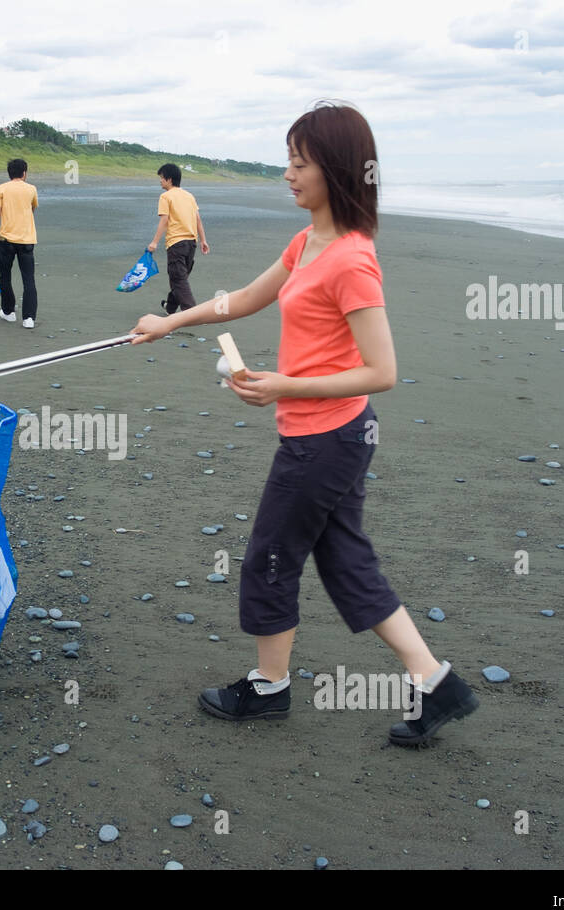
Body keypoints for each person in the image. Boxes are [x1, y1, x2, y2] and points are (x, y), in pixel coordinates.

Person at [131, 102, 478, 746]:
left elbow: (383, 370)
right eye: (287, 160)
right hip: (331, 435)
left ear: (337, 170)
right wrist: (170, 321)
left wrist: (284, 386)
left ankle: (269, 687)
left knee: (269, 555)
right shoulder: (306, 242)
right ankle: (436, 682)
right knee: (346, 561)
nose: (287, 173)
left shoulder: (351, 259)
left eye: (300, 162)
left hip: (325, 439)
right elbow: (242, 299)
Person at [0, 158, 39, 328]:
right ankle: (29, 319)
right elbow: (32, 209)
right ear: (24, 173)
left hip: (6, 240)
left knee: (5, 277)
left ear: (9, 173)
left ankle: (8, 312)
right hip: (27, 240)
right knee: (29, 279)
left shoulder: (2, 188)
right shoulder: (31, 189)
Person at [148, 163, 209, 315]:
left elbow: (164, 220)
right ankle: (170, 307)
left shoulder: (165, 197)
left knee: (178, 280)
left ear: (169, 179)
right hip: (191, 244)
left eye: (162, 178)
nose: (160, 181)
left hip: (176, 244)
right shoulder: (189, 196)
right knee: (180, 277)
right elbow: (198, 220)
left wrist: (154, 242)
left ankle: (191, 313)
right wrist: (203, 240)